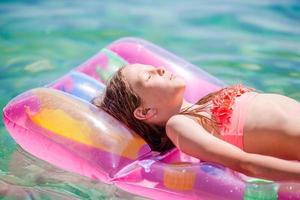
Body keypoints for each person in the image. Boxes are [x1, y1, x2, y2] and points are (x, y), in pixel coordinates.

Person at [92, 63, 300, 182]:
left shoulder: (206, 103)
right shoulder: (180, 125)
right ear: (145, 111)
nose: (160, 69)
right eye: (149, 76)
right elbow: (246, 164)